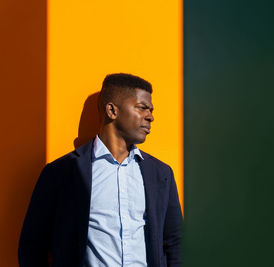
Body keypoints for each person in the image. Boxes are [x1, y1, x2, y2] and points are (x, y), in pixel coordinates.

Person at [18, 73, 183, 267]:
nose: (150, 116)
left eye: (151, 110)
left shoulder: (160, 174)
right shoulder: (61, 172)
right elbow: (32, 246)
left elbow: (176, 243)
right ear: (112, 110)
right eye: (142, 107)